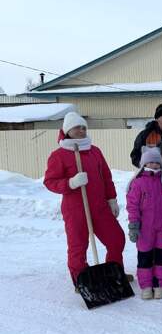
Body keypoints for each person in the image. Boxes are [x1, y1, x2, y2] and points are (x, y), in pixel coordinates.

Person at [44, 112, 127, 287]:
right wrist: (70, 183)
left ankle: (114, 273)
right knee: (78, 247)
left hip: (100, 206)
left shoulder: (94, 151)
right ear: (67, 131)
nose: (81, 130)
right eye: (77, 127)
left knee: (116, 239)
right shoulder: (59, 155)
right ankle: (82, 281)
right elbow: (50, 182)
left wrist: (111, 199)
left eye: (83, 127)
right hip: (76, 209)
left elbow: (106, 176)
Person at [126, 147, 162, 300]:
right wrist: (134, 225)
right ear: (144, 164)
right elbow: (133, 206)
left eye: (156, 162)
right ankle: (146, 286)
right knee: (144, 256)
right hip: (145, 227)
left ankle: (159, 284)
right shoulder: (138, 183)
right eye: (150, 162)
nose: (153, 165)